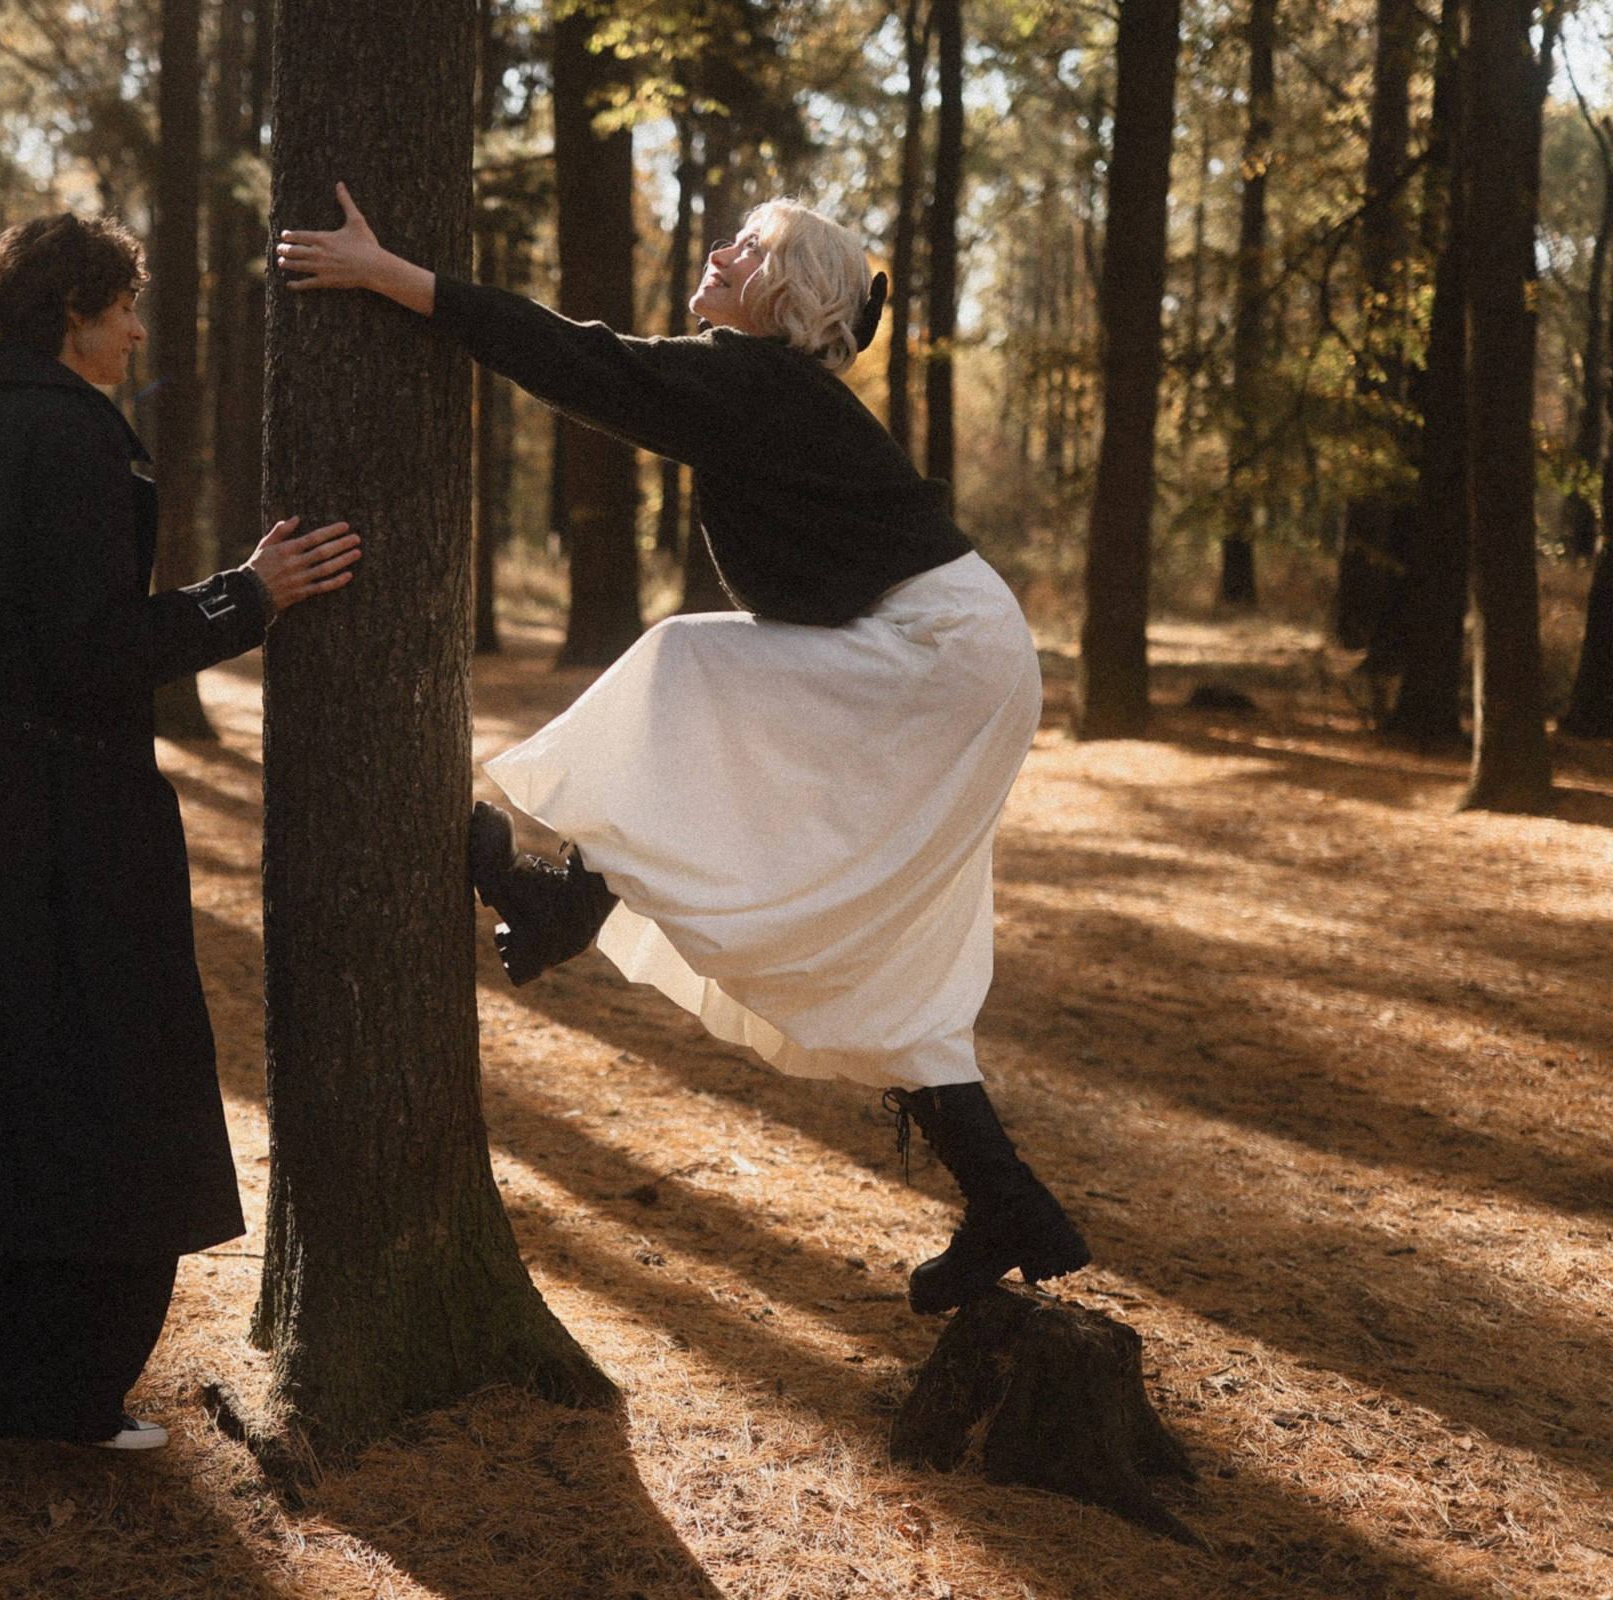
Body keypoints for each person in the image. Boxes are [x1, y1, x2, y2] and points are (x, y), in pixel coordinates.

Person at [276, 185, 1086, 1315]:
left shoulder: (754, 381)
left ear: (790, 295)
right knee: (897, 947)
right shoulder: (759, 387)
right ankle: (1009, 1200)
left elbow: (578, 361)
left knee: (690, 668)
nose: (716, 249)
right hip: (958, 652)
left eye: (748, 247)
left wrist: (390, 276)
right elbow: (598, 367)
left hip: (940, 650)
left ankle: (567, 902)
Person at [0, 212, 359, 1446]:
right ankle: (51, 1393)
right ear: (71, 314)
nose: (139, 331)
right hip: (53, 832)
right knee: (94, 1097)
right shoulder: (80, 442)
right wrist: (250, 594)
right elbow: (90, 651)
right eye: (125, 307)